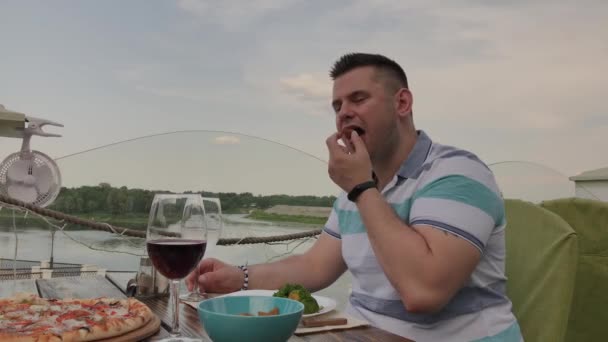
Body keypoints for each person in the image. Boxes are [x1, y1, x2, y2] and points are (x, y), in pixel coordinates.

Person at [187, 53, 523, 341]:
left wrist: (362, 189)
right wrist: (239, 278)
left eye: (358, 99)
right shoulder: (358, 188)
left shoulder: (458, 174)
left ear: (402, 103)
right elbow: (315, 266)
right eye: (337, 105)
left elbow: (424, 292)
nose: (343, 112)